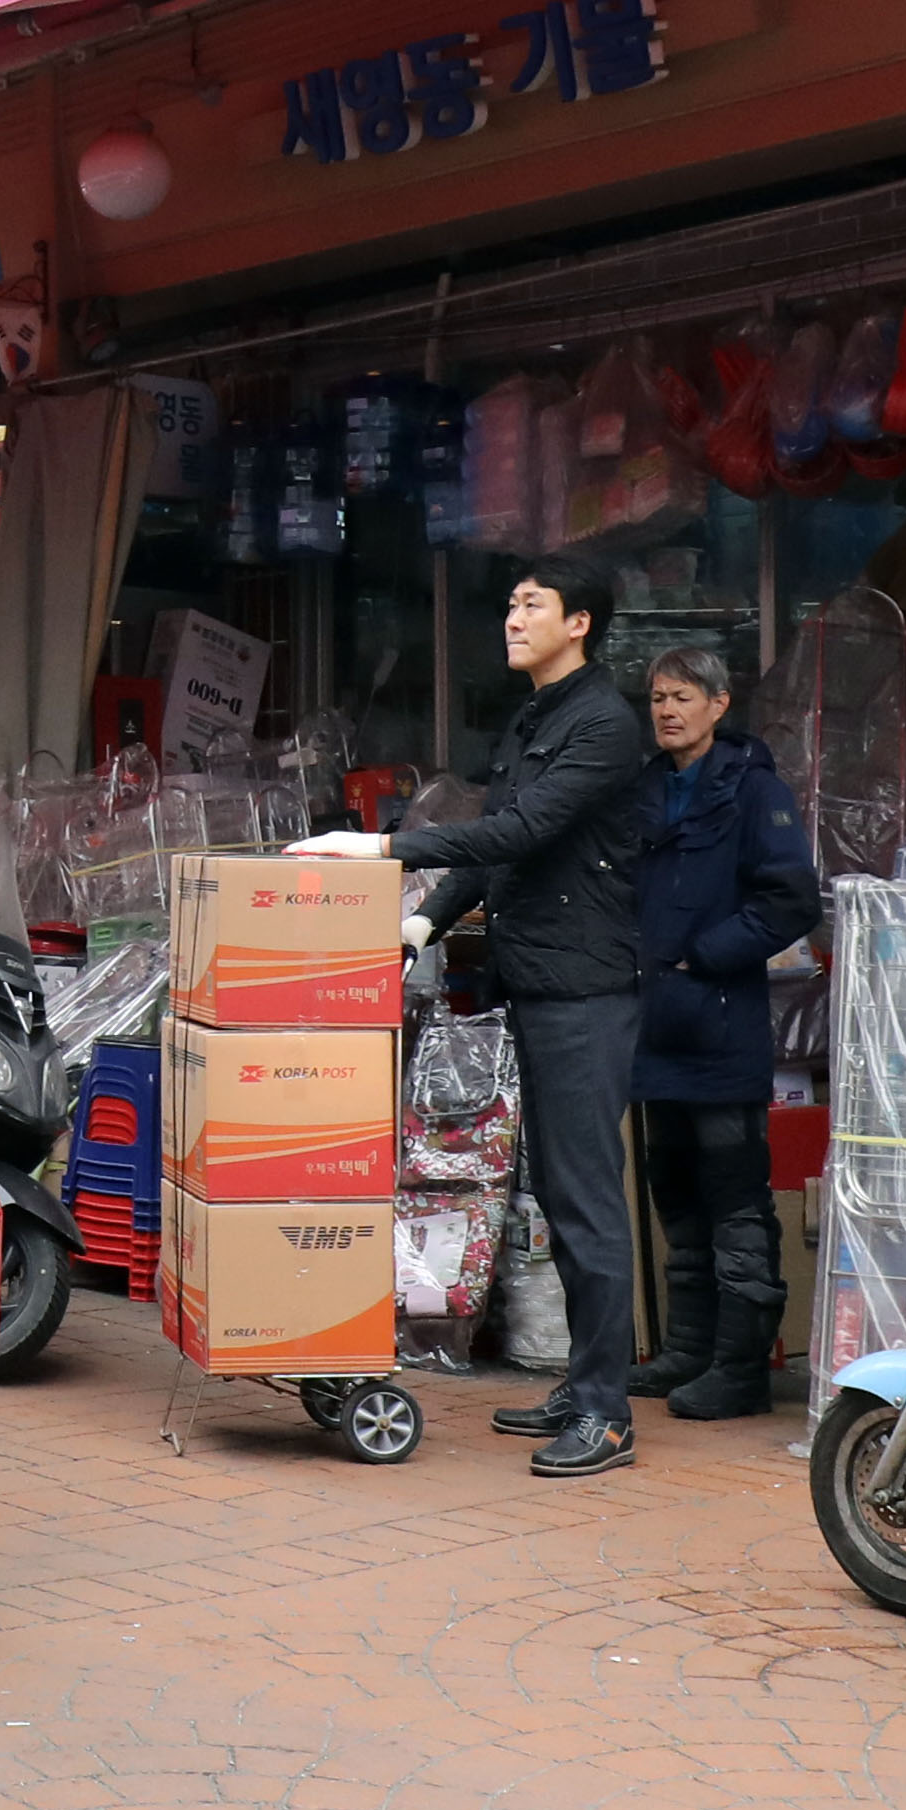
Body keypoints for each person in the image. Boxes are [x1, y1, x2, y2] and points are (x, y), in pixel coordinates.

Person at [299, 561, 654, 1475]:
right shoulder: (539, 716)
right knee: (562, 1197)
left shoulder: (605, 725)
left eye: (531, 604)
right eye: (508, 603)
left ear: (580, 622)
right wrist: (425, 919)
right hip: (536, 981)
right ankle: (583, 1385)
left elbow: (520, 832)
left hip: (585, 992)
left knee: (585, 1203)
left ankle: (606, 1414)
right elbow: (498, 842)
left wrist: (382, 847)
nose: (510, 617)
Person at [626, 643, 820, 1421]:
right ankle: (687, 1351)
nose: (668, 710)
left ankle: (739, 1369)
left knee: (733, 1195)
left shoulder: (755, 790)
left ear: (719, 703)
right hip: (653, 1028)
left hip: (721, 1023)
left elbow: (790, 900)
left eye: (682, 696)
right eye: (658, 698)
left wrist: (707, 955)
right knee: (673, 1190)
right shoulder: (641, 790)